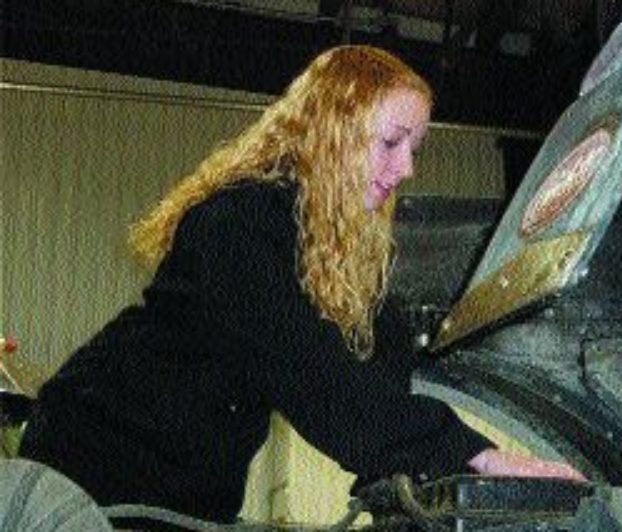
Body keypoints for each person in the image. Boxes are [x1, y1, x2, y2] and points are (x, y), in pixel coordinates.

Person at [18, 45, 584, 523]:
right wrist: (478, 456)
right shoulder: (237, 224)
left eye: (415, 149)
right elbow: (323, 384)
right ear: (332, 131)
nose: (408, 169)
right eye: (391, 142)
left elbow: (376, 372)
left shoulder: (329, 253)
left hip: (179, 491)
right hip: (92, 463)